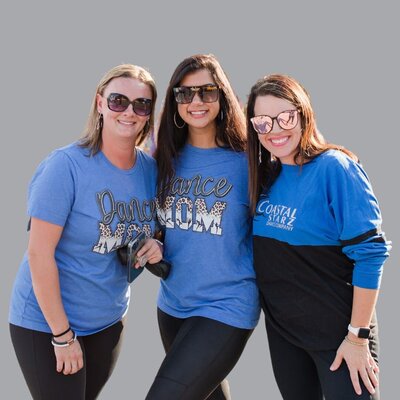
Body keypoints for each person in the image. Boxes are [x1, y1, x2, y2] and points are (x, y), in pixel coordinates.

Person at [9, 64, 162, 400]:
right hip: (47, 324)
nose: (129, 112)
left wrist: (152, 244)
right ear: (100, 103)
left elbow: (148, 229)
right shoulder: (66, 166)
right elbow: (39, 253)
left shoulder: (150, 170)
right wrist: (62, 336)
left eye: (141, 104)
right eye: (118, 100)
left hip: (108, 323)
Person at [246, 74, 391, 400]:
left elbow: (371, 254)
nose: (276, 129)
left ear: (303, 113)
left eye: (285, 117)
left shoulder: (335, 168)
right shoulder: (266, 177)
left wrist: (357, 338)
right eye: (263, 122)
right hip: (286, 337)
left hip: (341, 339)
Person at [145, 54, 260, 400]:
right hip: (173, 304)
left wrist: (333, 156)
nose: (196, 102)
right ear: (175, 100)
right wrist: (154, 243)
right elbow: (157, 224)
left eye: (207, 92)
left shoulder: (248, 162)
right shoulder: (163, 160)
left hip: (227, 304)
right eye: (185, 93)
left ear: (222, 96)